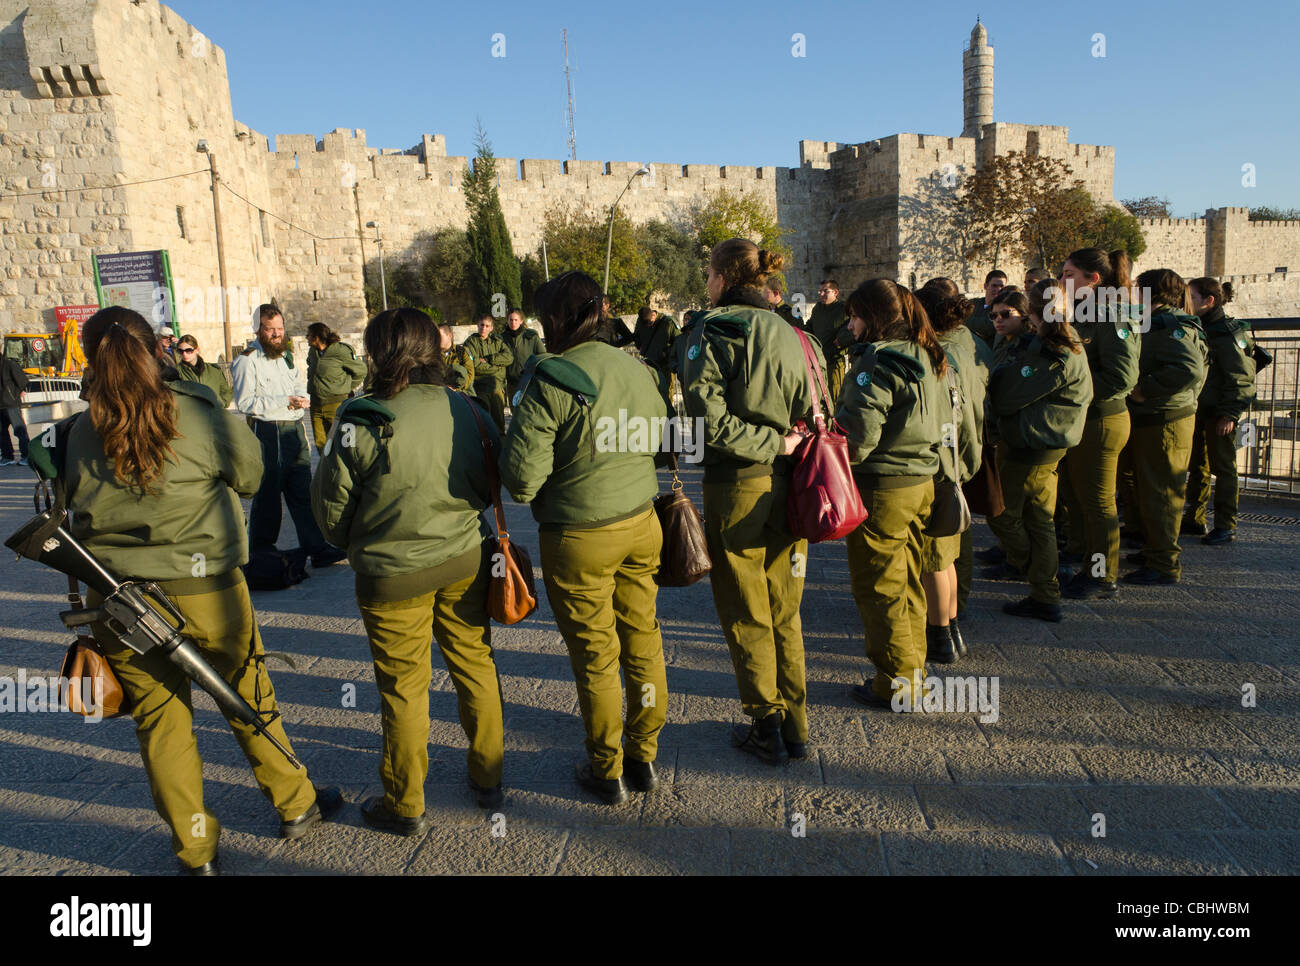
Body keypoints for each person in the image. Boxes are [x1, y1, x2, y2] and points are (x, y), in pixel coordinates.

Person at [44, 306, 340, 875]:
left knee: (160, 724)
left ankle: (195, 849)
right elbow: (252, 478)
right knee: (250, 695)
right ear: (155, 348)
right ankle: (295, 803)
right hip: (209, 591)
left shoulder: (79, 432)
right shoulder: (197, 411)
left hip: (122, 603)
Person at [312, 307, 505, 830]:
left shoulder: (361, 418)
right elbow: (492, 483)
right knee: (475, 664)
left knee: (403, 688)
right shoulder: (466, 407)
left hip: (391, 576)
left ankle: (406, 803)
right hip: (464, 558)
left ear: (380, 354)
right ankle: (488, 777)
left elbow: (330, 519)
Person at [500, 271, 668, 804]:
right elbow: (663, 435)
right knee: (644, 641)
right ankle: (644, 755)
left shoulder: (552, 378)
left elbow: (523, 481)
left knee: (597, 656)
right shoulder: (637, 365)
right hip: (642, 523)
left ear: (553, 321)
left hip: (578, 535)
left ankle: (607, 768)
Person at [677, 239, 822, 762]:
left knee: (745, 608)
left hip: (740, 483)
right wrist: (784, 442)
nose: (706, 280)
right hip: (795, 485)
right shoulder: (799, 336)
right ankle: (796, 725)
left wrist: (767, 443)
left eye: (709, 271)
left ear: (722, 277)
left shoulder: (713, 330)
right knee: (785, 609)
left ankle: (766, 723)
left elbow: (706, 420)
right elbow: (815, 410)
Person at [835, 280, 944, 709]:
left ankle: (896, 684)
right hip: (921, 482)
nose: (851, 324)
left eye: (856, 315)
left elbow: (859, 438)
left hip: (884, 489)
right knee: (908, 583)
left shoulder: (877, 360)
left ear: (874, 317)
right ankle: (913, 672)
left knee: (880, 589)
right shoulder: (929, 353)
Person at [988, 280, 1093, 621]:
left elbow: (1007, 396)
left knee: (1001, 512)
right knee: (1038, 520)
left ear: (1031, 312)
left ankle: (1039, 572)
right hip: (1041, 440)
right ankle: (1045, 591)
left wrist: (1001, 378)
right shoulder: (1059, 341)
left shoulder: (1052, 350)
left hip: (1036, 444)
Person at [231, 304, 346, 568]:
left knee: (302, 490)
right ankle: (261, 551)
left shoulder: (287, 357)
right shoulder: (247, 361)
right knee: (268, 493)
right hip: (268, 432)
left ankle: (316, 547)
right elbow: (246, 402)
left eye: (280, 329)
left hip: (294, 430)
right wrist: (286, 401)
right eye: (270, 330)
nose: (276, 335)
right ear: (258, 330)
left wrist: (300, 398)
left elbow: (298, 383)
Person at [1057, 248, 1141, 600]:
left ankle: (1102, 575)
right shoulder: (1077, 315)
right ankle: (1084, 561)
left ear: (1093, 280)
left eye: (1069, 275)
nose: (1062, 282)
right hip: (1081, 420)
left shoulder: (1112, 317)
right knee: (1077, 498)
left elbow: (1123, 377)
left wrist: (1077, 392)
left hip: (1102, 419)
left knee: (1099, 501)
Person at [915, 278, 989, 657]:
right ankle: (951, 626)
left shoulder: (939, 354)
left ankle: (940, 635)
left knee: (934, 557)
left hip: (943, 464)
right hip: (960, 458)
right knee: (948, 553)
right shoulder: (967, 342)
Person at [1122, 269, 1208, 585]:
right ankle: (1154, 550)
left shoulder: (1173, 326)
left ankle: (1164, 564)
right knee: (1149, 491)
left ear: (1151, 293)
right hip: (1155, 418)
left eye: (1136, 290)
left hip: (1166, 419)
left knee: (1162, 494)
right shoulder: (1158, 323)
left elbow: (1188, 369)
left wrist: (1146, 388)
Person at [1184, 277, 1255, 546]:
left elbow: (1241, 377)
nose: (1187, 301)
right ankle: (1195, 517)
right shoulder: (1199, 327)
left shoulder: (1228, 333)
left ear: (1209, 301)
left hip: (1219, 412)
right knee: (1198, 467)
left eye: (1191, 296)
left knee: (1223, 468)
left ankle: (1226, 524)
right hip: (1200, 408)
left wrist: (1230, 414)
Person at [980, 288, 1033, 577]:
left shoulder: (1028, 346)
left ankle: (1027, 562)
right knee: (1006, 506)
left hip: (1016, 431)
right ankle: (1015, 555)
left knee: (1006, 508)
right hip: (1001, 429)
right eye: (993, 315)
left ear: (1024, 315)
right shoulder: (1004, 341)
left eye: (1005, 315)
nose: (998, 320)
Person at [305, 323, 366, 450]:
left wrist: (345, 387)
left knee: (342, 443)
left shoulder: (340, 351)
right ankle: (326, 469)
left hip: (336, 405)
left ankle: (344, 468)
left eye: (309, 335)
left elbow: (361, 371)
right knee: (321, 444)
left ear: (317, 337)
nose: (306, 337)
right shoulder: (312, 352)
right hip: (315, 405)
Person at [461, 314, 513, 432]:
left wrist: (490, 359)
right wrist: (498, 368)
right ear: (477, 325)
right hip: (481, 388)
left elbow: (509, 358)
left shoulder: (497, 341)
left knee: (499, 423)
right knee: (483, 423)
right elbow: (475, 366)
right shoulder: (470, 343)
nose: (483, 328)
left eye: (487, 326)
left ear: (491, 328)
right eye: (481, 325)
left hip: (497, 387)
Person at [809, 277, 852, 403]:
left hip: (834, 363)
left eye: (826, 291)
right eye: (820, 291)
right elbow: (810, 327)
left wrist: (841, 340)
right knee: (818, 396)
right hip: (817, 362)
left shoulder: (844, 310)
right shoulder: (817, 309)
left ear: (835, 292)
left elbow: (851, 332)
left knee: (835, 398)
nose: (822, 294)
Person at [632, 306, 680, 407]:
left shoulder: (668, 323)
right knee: (648, 394)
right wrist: (640, 345)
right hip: (647, 364)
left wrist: (667, 353)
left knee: (666, 395)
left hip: (664, 366)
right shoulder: (641, 322)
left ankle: (667, 419)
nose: (647, 326)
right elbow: (636, 336)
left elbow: (679, 342)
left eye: (649, 323)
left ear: (654, 314)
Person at [500, 307, 545, 403]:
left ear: (521, 321)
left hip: (529, 382)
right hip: (512, 384)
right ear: (507, 320)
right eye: (510, 320)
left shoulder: (531, 337)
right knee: (515, 412)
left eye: (516, 320)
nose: (513, 323)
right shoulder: (501, 339)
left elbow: (543, 357)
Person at [174, 334, 232, 408]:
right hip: (194, 415)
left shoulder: (214, 370)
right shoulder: (177, 372)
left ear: (197, 350)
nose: (184, 354)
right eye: (180, 351)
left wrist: (222, 403)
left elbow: (226, 391)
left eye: (188, 350)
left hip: (215, 413)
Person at [0, 350, 30, 466]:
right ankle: (7, 457)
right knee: (1, 433)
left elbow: (23, 382)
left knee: (19, 430)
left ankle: (27, 456)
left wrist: (20, 393)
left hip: (11, 404)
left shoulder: (9, 364)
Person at [966, 270, 1008, 348]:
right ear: (985, 286)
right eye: (994, 286)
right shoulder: (973, 304)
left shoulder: (1004, 309)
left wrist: (964, 320)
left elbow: (989, 327)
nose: (998, 290)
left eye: (1001, 286)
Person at [439, 323, 475, 392]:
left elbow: (470, 375)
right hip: (440, 392)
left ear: (449, 335)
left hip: (461, 392)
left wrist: (456, 388)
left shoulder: (462, 351)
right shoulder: (433, 354)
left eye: (439, 336)